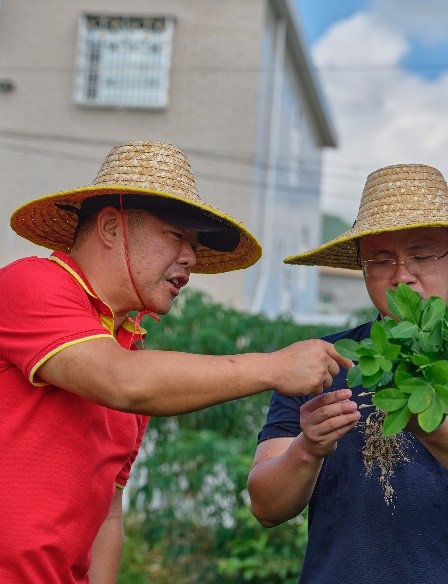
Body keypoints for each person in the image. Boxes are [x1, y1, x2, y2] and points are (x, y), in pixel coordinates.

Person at [0, 141, 351, 584]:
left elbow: (107, 512)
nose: (191, 258)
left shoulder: (131, 348)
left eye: (195, 243)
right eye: (175, 235)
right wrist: (273, 366)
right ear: (111, 227)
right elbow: (119, 381)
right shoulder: (31, 282)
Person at [247, 163, 448, 584]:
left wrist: (431, 426)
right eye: (381, 259)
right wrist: (308, 448)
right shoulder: (321, 362)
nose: (402, 276)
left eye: (421, 254)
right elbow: (266, 506)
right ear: (361, 265)